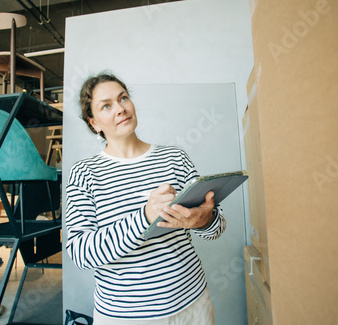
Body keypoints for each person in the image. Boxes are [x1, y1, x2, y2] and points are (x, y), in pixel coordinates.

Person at [65, 73, 226, 324]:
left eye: (123, 98)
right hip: (126, 316)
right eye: (106, 105)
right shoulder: (85, 174)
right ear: (93, 122)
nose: (120, 108)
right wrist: (145, 217)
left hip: (192, 306)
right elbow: (81, 253)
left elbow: (216, 226)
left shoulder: (175, 158)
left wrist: (203, 220)